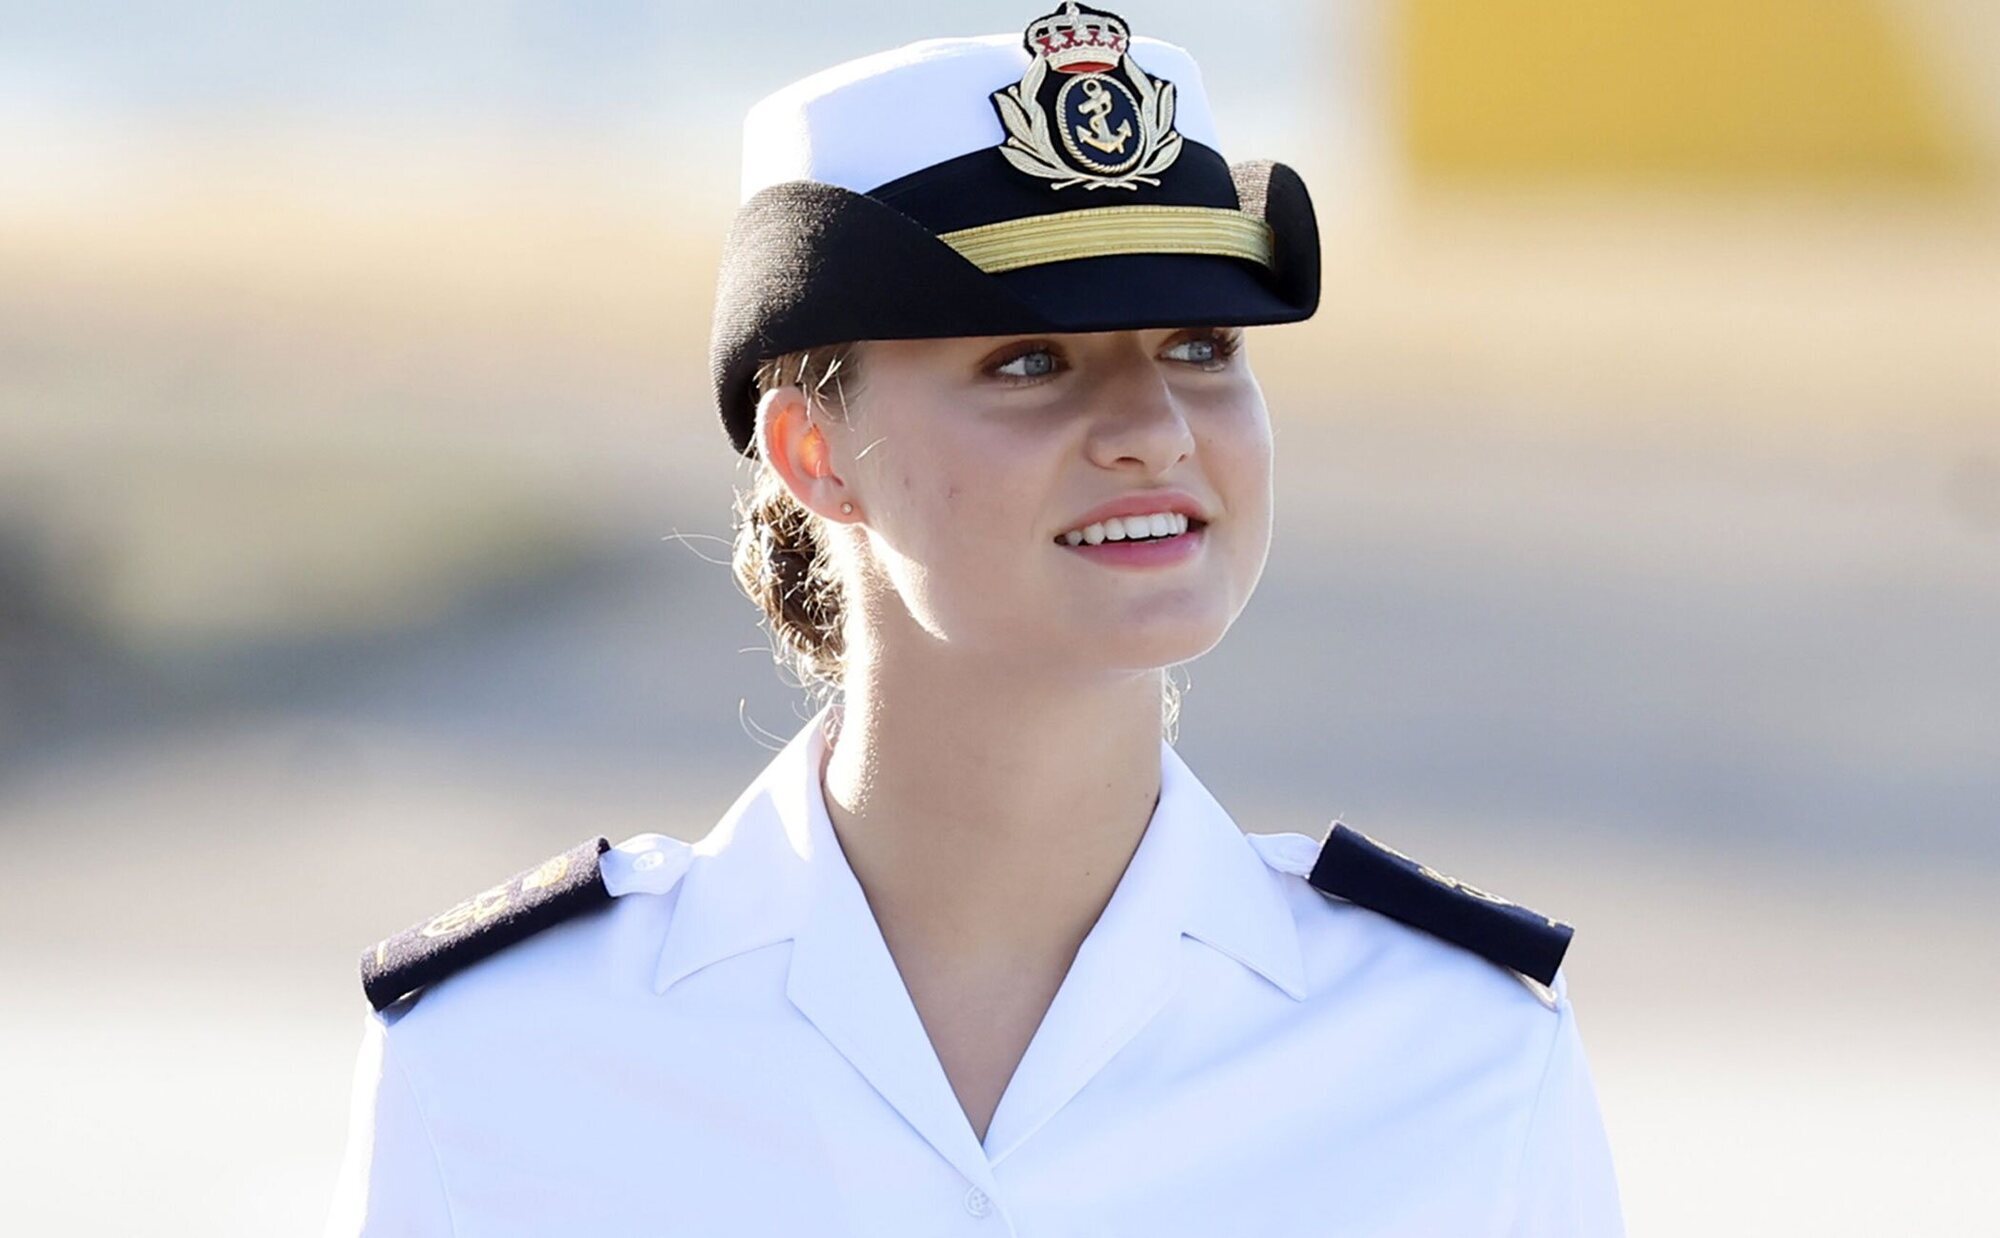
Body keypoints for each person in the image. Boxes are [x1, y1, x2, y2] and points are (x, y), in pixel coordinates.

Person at [326, 5, 1624, 1235]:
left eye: (1203, 347)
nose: (1155, 430)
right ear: (813, 450)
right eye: (1030, 361)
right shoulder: (501, 1061)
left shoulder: (1462, 1055)